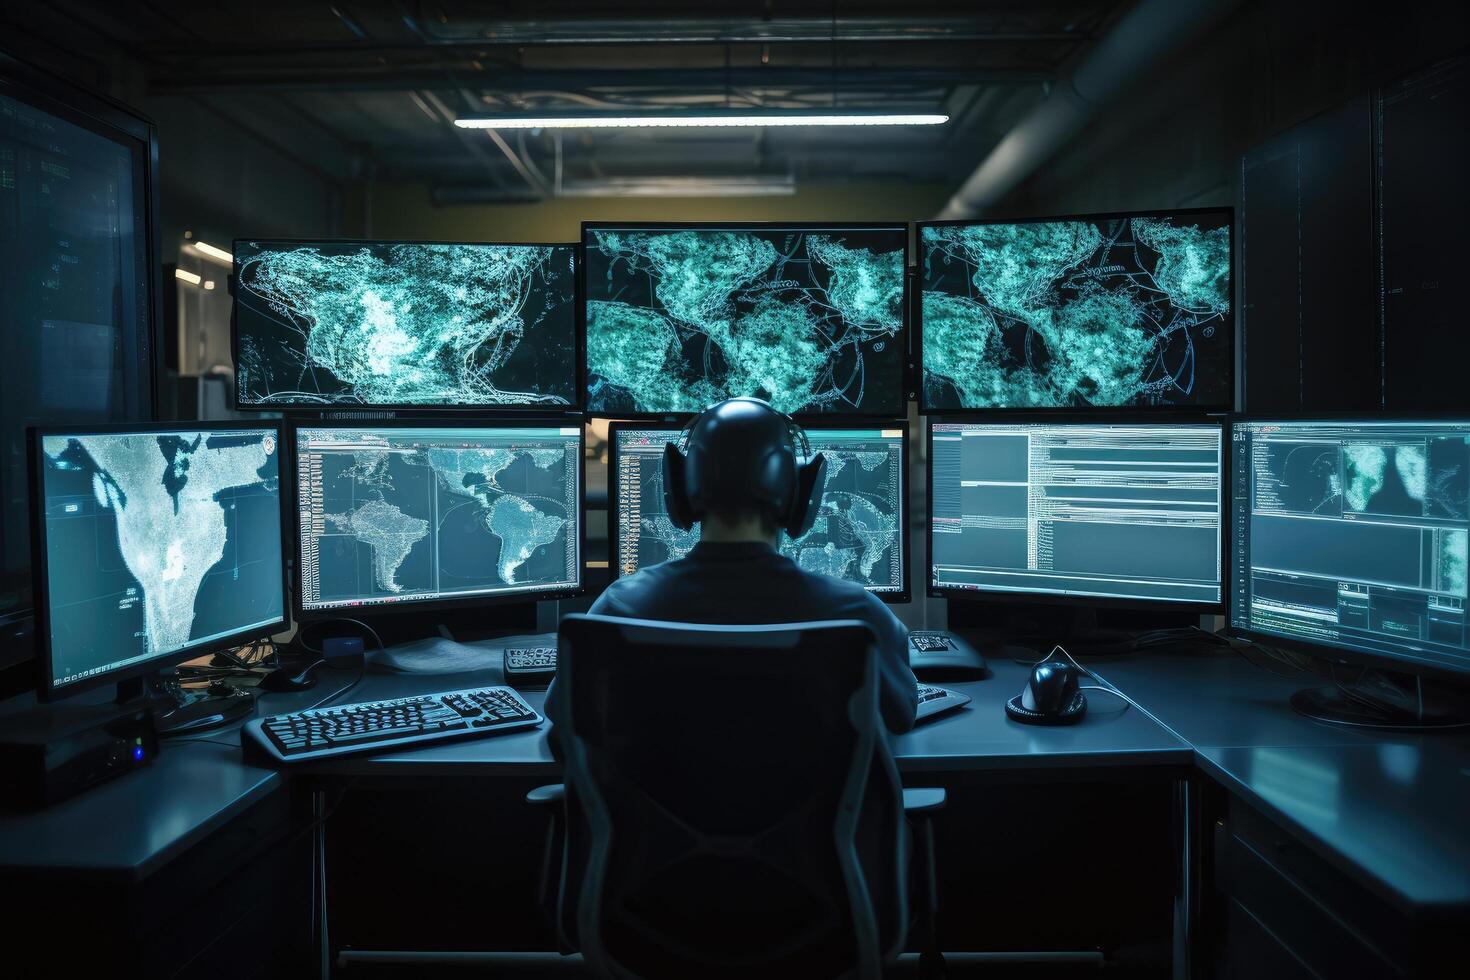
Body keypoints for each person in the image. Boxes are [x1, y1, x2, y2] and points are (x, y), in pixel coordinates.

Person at [546, 397, 918, 736]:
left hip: (657, 812)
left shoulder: (619, 610)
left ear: (681, 490)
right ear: (800, 495)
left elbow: (562, 713)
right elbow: (901, 716)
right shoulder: (856, 618)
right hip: (818, 813)